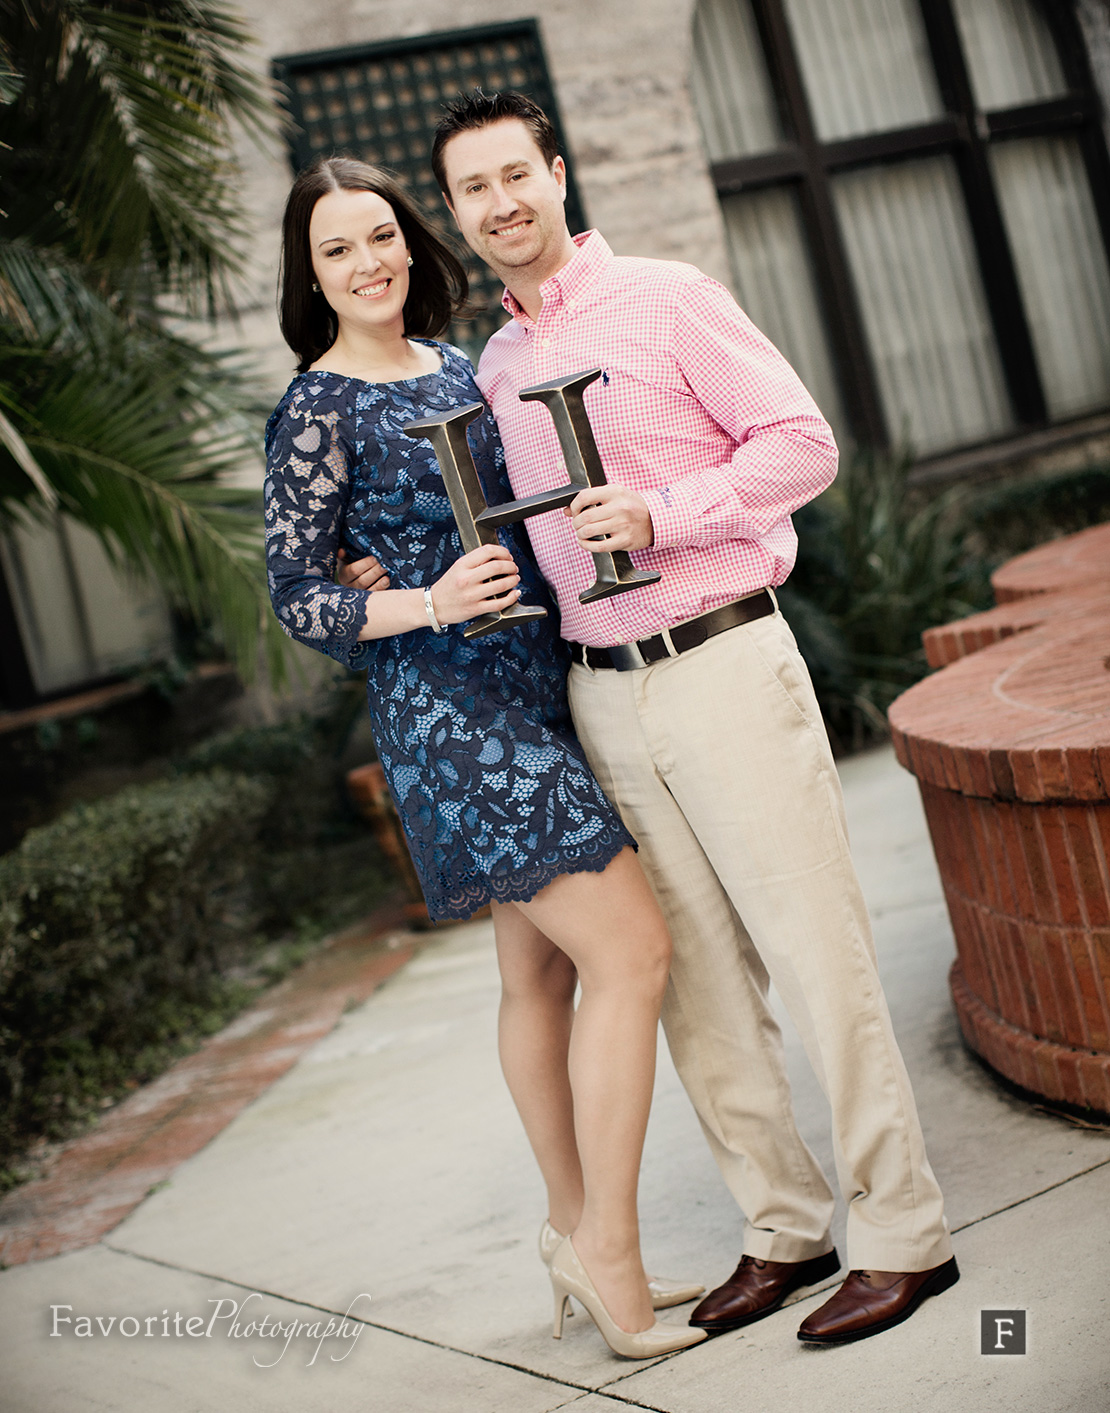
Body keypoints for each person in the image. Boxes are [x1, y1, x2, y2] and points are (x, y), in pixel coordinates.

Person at [353, 89, 958, 1348]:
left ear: (557, 173)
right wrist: (380, 577)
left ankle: (902, 1233)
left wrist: (664, 510)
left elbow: (803, 443)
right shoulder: (500, 366)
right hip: (601, 692)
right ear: (455, 215)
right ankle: (783, 1225)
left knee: (815, 950)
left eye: (517, 174)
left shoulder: (670, 295)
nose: (501, 204)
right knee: (695, 988)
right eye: (473, 189)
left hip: (725, 661)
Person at [263, 156, 707, 1361]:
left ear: (411, 242)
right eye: (337, 252)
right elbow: (296, 598)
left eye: (381, 239)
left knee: (543, 981)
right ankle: (609, 1251)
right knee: (634, 952)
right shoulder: (316, 407)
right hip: (452, 720)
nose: (368, 265)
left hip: (534, 685)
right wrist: (419, 599)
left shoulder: (460, 369)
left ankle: (572, 1232)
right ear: (312, 277)